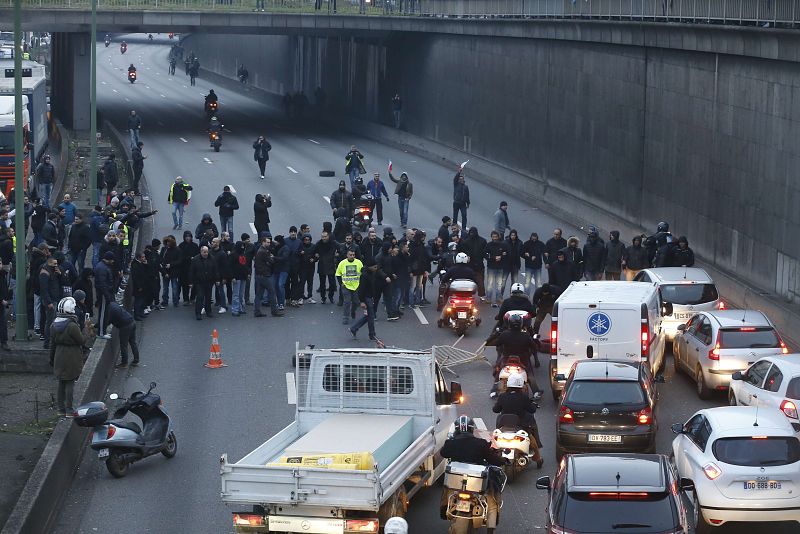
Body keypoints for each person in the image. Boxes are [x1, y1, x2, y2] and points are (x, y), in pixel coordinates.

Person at [441, 416, 504, 532]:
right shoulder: (481, 443)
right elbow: (493, 459)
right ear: (471, 429)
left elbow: (443, 453)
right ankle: (490, 528)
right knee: (492, 500)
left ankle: (444, 508)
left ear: (456, 429)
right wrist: (503, 461)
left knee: (447, 489)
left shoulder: (451, 443)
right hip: (476, 482)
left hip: (456, 482)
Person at [492, 373, 543, 468]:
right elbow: (532, 409)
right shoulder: (523, 397)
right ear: (521, 385)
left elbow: (495, 410)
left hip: (503, 427)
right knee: (531, 436)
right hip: (520, 427)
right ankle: (538, 458)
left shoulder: (502, 396)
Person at [49, 297, 87, 417]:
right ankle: (69, 409)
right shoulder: (72, 326)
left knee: (61, 382)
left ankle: (61, 409)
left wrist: (51, 358)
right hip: (72, 355)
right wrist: (86, 331)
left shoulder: (54, 324)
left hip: (59, 354)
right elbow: (81, 341)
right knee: (70, 381)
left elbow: (52, 343)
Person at [487, 313, 542, 379]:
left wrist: (495, 336)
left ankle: (495, 386)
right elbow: (534, 347)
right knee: (530, 375)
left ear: (509, 324)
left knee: (496, 371)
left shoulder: (504, 334)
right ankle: (535, 389)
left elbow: (497, 343)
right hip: (522, 359)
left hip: (507, 358)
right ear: (521, 324)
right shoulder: (526, 335)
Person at [253, 234, 283, 317]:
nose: (269, 244)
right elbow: (271, 261)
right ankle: (274, 311)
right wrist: (271, 258)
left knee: (259, 294)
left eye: (269, 242)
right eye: (267, 242)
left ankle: (257, 311)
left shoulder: (260, 250)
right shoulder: (263, 252)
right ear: (263, 242)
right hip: (265, 275)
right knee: (272, 292)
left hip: (259, 275)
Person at [40, 256, 62, 349]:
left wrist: (60, 274)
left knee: (52, 321)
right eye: (54, 264)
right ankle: (47, 342)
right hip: (50, 300)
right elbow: (44, 289)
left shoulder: (53, 272)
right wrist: (48, 302)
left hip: (54, 298)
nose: (56, 265)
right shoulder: (45, 273)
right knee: (50, 322)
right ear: (49, 263)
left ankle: (51, 341)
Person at [336, 248, 363, 325]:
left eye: (353, 255)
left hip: (356, 285)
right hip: (346, 286)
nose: (352, 256)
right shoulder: (342, 263)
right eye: (350, 255)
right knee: (347, 302)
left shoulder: (359, 262)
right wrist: (341, 283)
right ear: (347, 255)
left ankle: (353, 311)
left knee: (356, 302)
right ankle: (345, 317)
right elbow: (338, 274)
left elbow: (362, 273)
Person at [190, 246, 218, 320]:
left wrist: (217, 280)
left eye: (207, 252)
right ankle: (198, 313)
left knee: (208, 297)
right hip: (199, 282)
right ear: (201, 252)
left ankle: (208, 311)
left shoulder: (212, 258)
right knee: (200, 297)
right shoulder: (195, 259)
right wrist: (191, 282)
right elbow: (192, 271)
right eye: (204, 252)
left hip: (209, 281)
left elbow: (215, 270)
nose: (206, 254)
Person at [521, 232, 546, 298]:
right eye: (533, 238)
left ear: (537, 237)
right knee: (527, 283)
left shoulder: (541, 244)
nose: (534, 239)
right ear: (531, 237)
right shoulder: (526, 244)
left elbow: (544, 253)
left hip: (538, 266)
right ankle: (526, 296)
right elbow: (522, 253)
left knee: (538, 283)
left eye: (535, 238)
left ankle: (538, 297)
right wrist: (527, 256)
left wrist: (546, 262)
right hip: (529, 266)